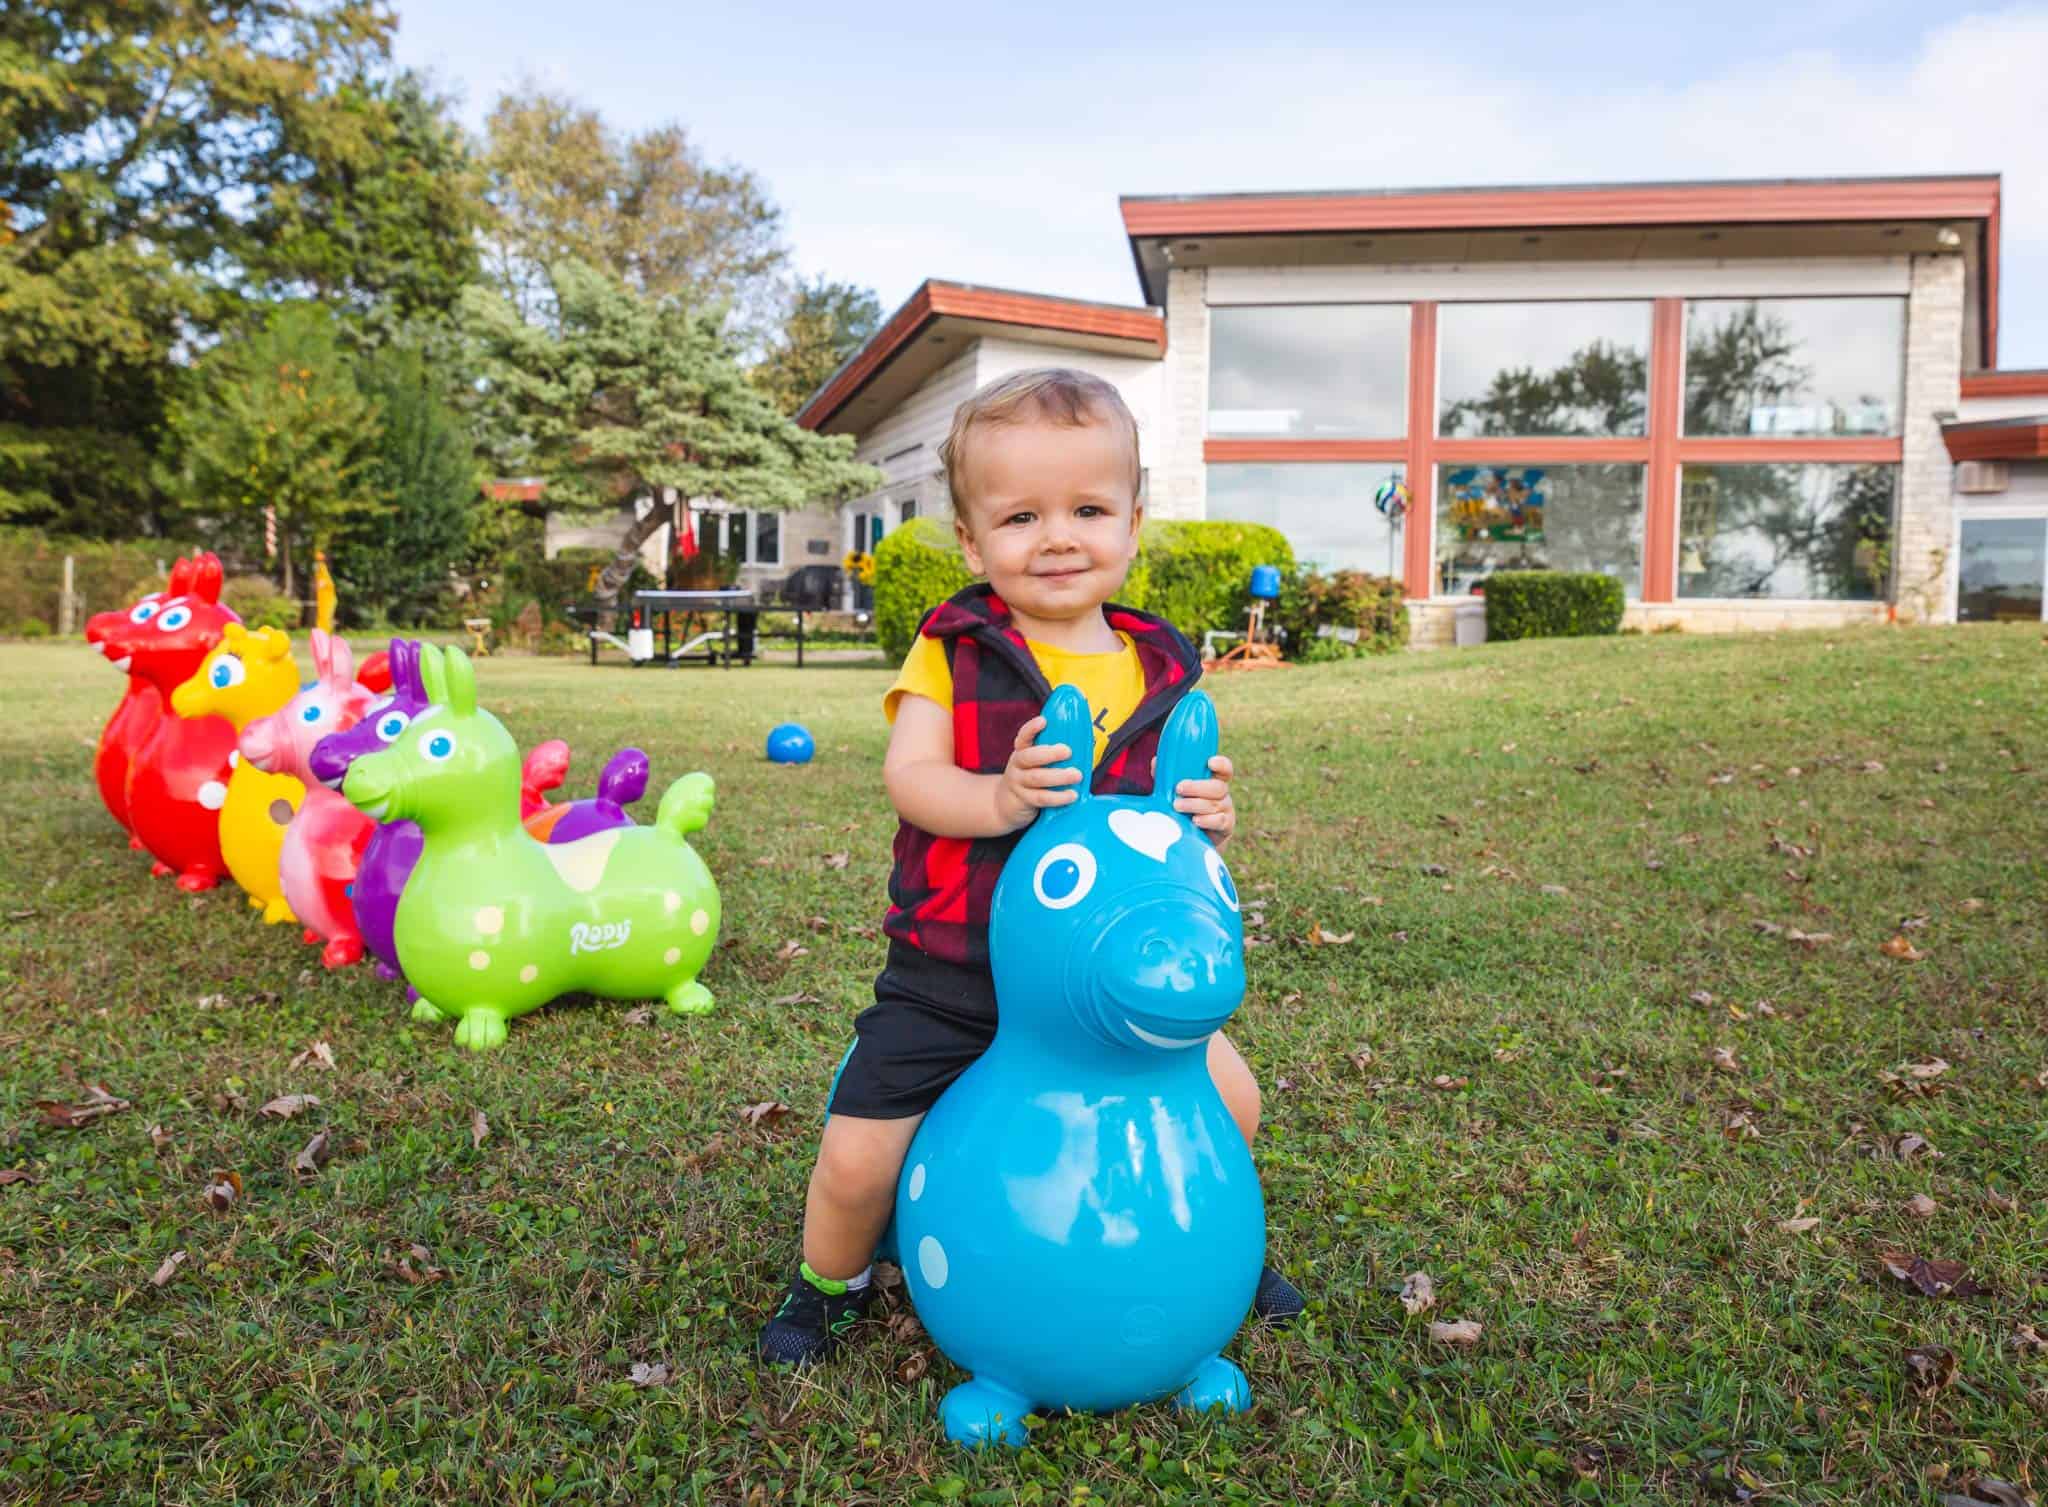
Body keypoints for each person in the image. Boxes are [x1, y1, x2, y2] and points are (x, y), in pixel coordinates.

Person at [758, 368, 1305, 1366]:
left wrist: (1207, 819)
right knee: (855, 1152)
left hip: (1105, 983)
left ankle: (1207, 1246)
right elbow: (910, 776)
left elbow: (1163, 831)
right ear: (970, 541)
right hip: (954, 965)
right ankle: (825, 1281)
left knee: (1233, 1101)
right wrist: (999, 800)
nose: (1056, 537)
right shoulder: (954, 648)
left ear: (1133, 523)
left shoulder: (1159, 665)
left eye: (1087, 509)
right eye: (1019, 517)